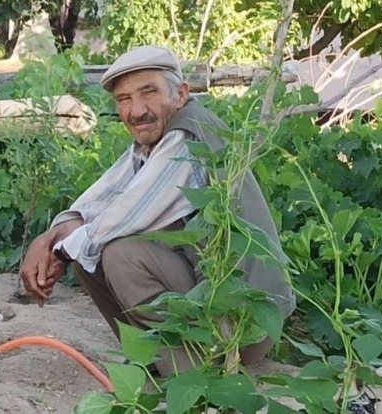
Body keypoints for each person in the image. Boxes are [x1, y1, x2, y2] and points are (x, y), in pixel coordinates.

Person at [19, 45, 295, 376]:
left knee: (118, 254)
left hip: (245, 324)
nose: (137, 111)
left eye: (148, 92)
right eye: (124, 99)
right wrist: (51, 238)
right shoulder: (152, 141)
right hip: (210, 299)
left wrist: (58, 252)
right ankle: (157, 359)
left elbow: (124, 217)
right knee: (88, 258)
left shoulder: (186, 137)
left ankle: (195, 371)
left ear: (180, 94)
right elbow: (102, 199)